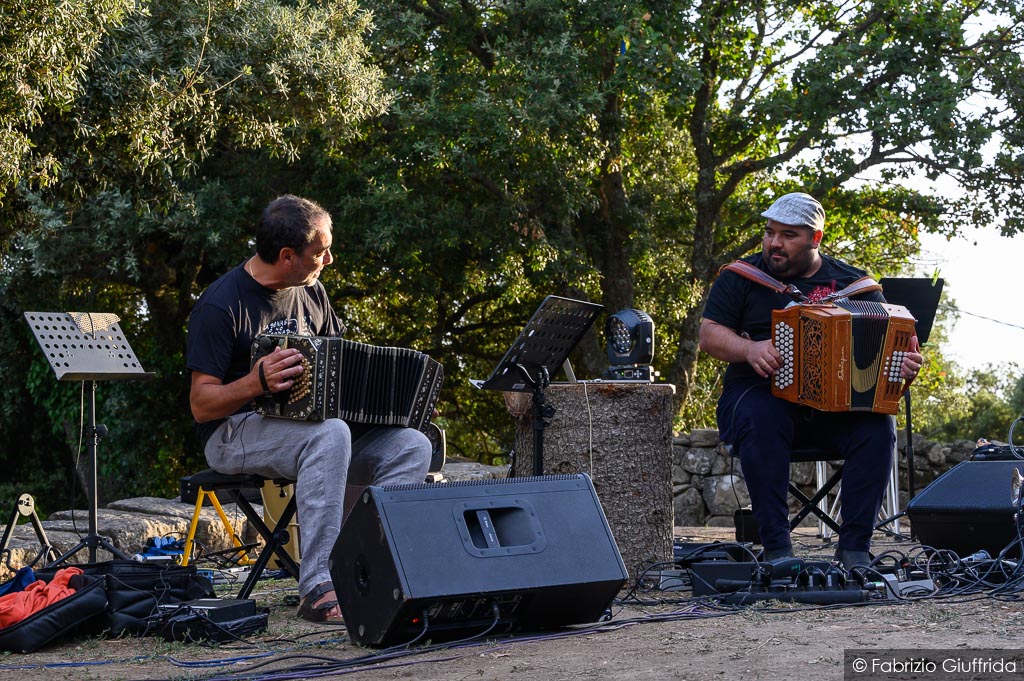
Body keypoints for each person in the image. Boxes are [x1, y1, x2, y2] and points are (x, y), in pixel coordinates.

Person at [186, 194, 432, 622]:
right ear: (287, 256)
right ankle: (318, 585)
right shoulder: (220, 304)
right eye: (320, 252)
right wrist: (254, 382)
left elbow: (338, 371)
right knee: (330, 433)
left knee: (411, 443)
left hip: (313, 429)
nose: (329, 260)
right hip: (231, 433)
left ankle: (372, 571)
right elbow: (201, 405)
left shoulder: (312, 293)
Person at [699, 192, 923, 570]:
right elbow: (709, 335)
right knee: (761, 415)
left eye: (788, 235)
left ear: (815, 238)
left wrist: (904, 368)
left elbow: (895, 351)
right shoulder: (740, 277)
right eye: (770, 233)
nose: (774, 243)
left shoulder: (859, 286)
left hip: (833, 414)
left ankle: (854, 551)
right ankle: (777, 552)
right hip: (762, 397)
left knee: (877, 427)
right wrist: (750, 350)